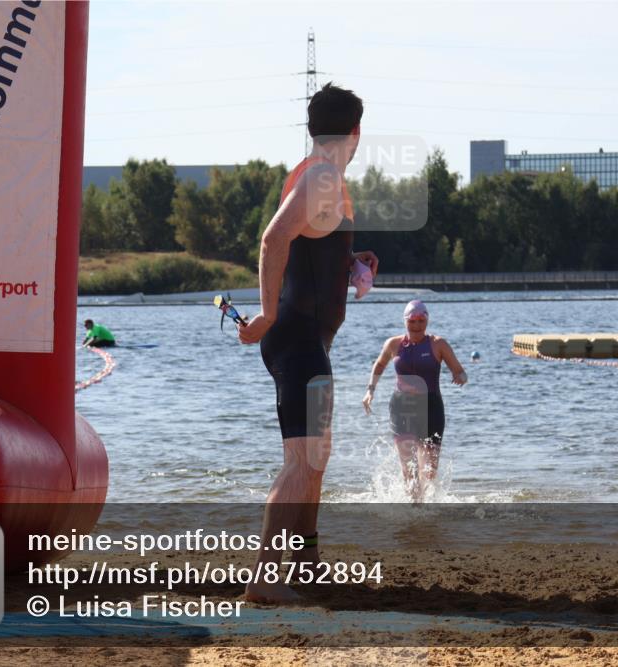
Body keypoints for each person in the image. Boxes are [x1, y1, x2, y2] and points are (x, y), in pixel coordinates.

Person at [238, 82, 378, 603]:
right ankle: (265, 579)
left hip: (305, 341)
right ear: (356, 132)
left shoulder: (318, 177)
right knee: (300, 462)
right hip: (296, 337)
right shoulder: (321, 176)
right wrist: (268, 313)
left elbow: (304, 248)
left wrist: (350, 262)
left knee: (314, 459)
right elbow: (273, 239)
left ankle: (304, 565)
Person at [362, 300, 467, 502]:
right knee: (409, 468)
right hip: (402, 409)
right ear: (405, 321)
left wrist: (460, 378)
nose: (417, 326)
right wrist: (370, 391)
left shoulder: (438, 344)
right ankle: (413, 507)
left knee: (429, 470)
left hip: (431, 409)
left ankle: (424, 514)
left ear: (427, 320)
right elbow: (379, 365)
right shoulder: (393, 344)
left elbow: (461, 372)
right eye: (412, 321)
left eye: (421, 320)